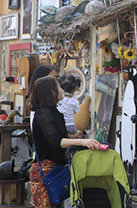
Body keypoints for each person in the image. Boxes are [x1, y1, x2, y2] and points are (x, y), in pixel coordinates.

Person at [29, 76, 101, 208]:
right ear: (51, 92)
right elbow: (55, 141)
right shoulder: (44, 114)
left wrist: (72, 137)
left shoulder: (53, 112)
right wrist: (81, 142)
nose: (62, 90)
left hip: (57, 168)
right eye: (58, 87)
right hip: (46, 172)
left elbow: (57, 135)